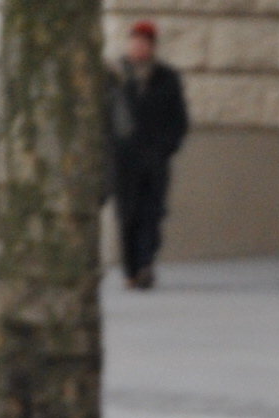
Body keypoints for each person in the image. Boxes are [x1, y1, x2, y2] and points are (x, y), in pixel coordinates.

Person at [110, 20, 190, 290]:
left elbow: (179, 119)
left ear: (152, 47)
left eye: (144, 43)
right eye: (134, 42)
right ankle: (130, 270)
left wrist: (167, 148)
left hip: (155, 160)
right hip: (124, 161)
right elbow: (106, 117)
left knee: (152, 214)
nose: (138, 48)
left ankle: (146, 265)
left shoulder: (167, 78)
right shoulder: (117, 77)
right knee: (127, 214)